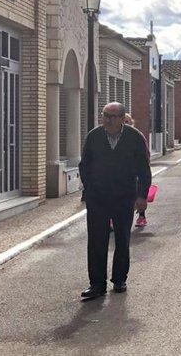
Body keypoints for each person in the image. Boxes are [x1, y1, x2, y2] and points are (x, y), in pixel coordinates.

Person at [78, 102, 152, 301]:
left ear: (121, 118)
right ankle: (97, 284)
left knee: (122, 239)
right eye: (105, 115)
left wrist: (142, 196)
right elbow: (84, 165)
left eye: (112, 116)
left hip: (123, 197)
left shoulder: (135, 137)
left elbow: (143, 169)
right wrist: (89, 188)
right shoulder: (94, 136)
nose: (108, 120)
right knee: (96, 240)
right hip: (98, 198)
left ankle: (119, 279)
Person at [124, 113, 151, 228]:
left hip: (136, 171)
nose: (124, 124)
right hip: (122, 171)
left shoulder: (137, 136)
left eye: (127, 122)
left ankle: (141, 216)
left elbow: (145, 153)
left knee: (139, 192)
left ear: (131, 123)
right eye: (123, 121)